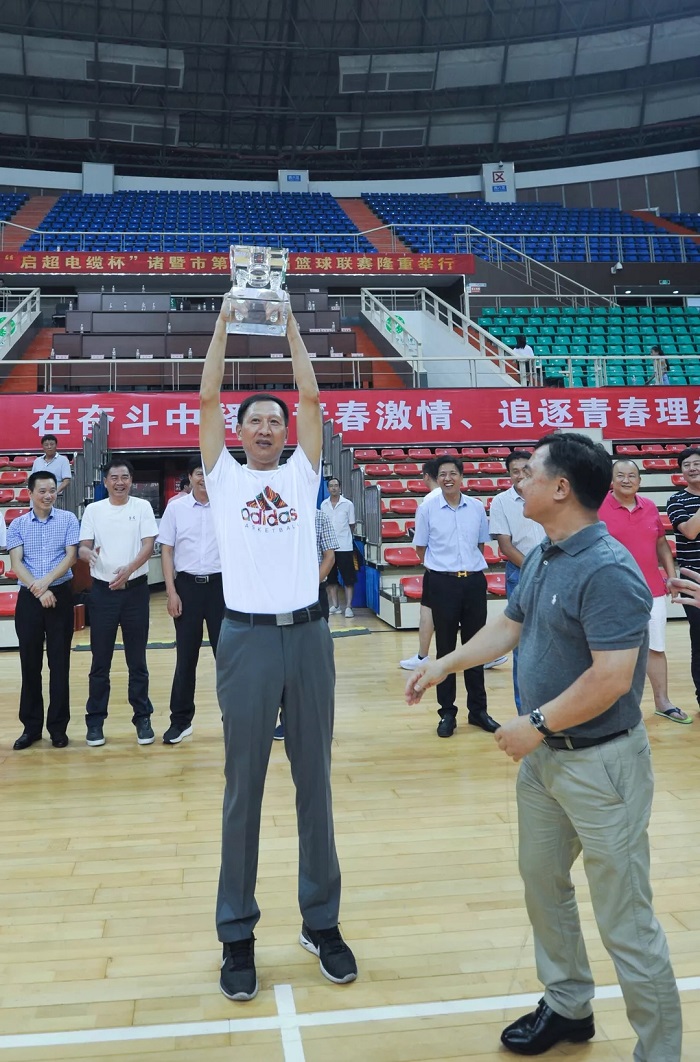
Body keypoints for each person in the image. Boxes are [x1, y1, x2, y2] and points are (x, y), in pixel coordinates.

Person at [406, 433, 681, 1061]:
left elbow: (612, 678)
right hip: (546, 762)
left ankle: (659, 1051)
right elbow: (509, 626)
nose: (518, 481)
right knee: (543, 884)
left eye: (529, 472)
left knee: (626, 919)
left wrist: (535, 722)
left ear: (561, 488)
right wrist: (443, 663)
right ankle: (567, 1004)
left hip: (603, 767)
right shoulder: (545, 554)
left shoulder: (608, 570)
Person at [200, 306, 357, 1002]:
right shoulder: (225, 478)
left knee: (314, 781)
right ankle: (236, 932)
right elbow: (207, 394)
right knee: (245, 787)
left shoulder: (301, 474)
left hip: (310, 637)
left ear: (287, 433)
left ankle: (321, 922)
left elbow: (313, 396)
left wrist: (291, 325)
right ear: (238, 433)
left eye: (275, 421)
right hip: (246, 640)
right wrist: (226, 323)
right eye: (254, 421)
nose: (265, 428)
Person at [412, 455, 501, 738]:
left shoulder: (476, 507)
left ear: (461, 477)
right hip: (443, 583)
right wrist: (443, 569)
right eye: (442, 474)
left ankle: (478, 711)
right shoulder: (427, 509)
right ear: (436, 478)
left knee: (476, 648)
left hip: (473, 582)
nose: (447, 478)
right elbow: (421, 548)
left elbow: (480, 545)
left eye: (452, 473)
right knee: (446, 649)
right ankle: (447, 712)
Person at [600, 459, 689, 723]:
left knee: (656, 647)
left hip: (652, 591)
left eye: (632, 476)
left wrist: (671, 577)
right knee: (613, 651)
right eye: (620, 475)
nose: (626, 480)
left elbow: (661, 544)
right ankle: (612, 708)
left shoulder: (649, 506)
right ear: (611, 480)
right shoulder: (597, 507)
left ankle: (663, 702)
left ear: (640, 481)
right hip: (611, 592)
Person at [78, 459, 158, 747]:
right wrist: (86, 554)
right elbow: (84, 546)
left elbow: (148, 545)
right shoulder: (94, 510)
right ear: (105, 482)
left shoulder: (142, 507)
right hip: (103, 594)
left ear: (131, 481)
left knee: (137, 661)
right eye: (114, 477)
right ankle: (95, 721)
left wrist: (129, 569)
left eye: (125, 477)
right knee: (100, 661)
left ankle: (143, 718)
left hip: (135, 592)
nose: (120, 482)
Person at [7, 471, 80, 750]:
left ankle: (58, 728)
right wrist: (39, 590)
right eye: (42, 491)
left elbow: (71, 557)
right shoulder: (17, 524)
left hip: (59, 595)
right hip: (30, 598)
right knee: (30, 664)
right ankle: (31, 728)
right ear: (29, 493)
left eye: (52, 490)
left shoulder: (68, 519)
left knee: (60, 664)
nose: (48, 495)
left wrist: (46, 583)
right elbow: (16, 563)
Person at [156, 455, 224, 745]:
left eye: (208, 473)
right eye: (199, 473)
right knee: (186, 658)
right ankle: (180, 721)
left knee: (228, 658)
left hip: (221, 588)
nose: (203, 479)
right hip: (187, 588)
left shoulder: (227, 504)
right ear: (190, 477)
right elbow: (167, 551)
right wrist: (171, 592)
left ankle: (234, 717)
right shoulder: (176, 508)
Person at [273, 507, 338, 741]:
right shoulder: (276, 516)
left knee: (312, 659)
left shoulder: (319, 516)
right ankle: (286, 719)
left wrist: (309, 584)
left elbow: (329, 556)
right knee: (282, 659)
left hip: (313, 594)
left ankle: (314, 720)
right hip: (280, 595)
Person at [488, 450, 545, 712]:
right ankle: (525, 712)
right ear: (508, 474)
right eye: (515, 471)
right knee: (521, 644)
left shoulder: (548, 493)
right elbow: (505, 546)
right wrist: (536, 568)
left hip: (556, 570)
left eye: (525, 469)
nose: (520, 475)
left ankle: (555, 711)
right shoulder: (501, 502)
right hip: (520, 573)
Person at [666, 447, 700, 714]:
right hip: (692, 583)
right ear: (681, 472)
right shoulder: (676, 500)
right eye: (686, 465)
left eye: (697, 463)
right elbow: (690, 531)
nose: (692, 468)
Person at [320, 477, 356, 617]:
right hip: (329, 547)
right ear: (328, 488)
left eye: (336, 485)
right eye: (331, 486)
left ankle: (349, 607)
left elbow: (351, 525)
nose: (334, 488)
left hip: (345, 546)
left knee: (348, 578)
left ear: (340, 488)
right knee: (331, 579)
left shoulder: (348, 504)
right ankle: (335, 605)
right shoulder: (323, 505)